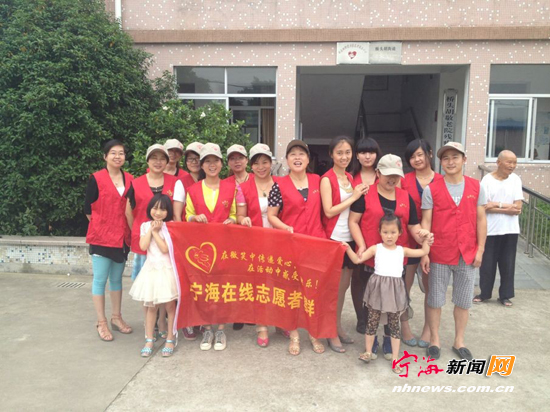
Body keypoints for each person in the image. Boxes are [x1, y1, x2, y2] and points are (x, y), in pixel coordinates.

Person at [349, 154, 428, 361]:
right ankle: (371, 339)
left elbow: (412, 225)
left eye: (396, 175)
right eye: (387, 175)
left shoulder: (405, 197)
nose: (392, 179)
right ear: (378, 173)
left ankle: (387, 338)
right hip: (371, 258)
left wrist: (422, 236)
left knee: (392, 303)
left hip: (394, 262)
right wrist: (362, 244)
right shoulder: (366, 194)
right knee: (371, 302)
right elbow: (353, 221)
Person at [420, 141, 487, 361]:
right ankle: (435, 339)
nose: (450, 162)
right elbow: (426, 222)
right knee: (435, 299)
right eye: (446, 158)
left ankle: (459, 340)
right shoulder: (431, 189)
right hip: (439, 252)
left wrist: (480, 250)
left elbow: (481, 219)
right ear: (441, 162)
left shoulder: (477, 187)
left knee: (463, 300)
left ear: (464, 159)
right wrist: (425, 252)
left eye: (455, 157)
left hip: (467, 253)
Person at [345, 212, 430, 374]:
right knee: (372, 321)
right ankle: (368, 351)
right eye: (385, 232)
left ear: (400, 233)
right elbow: (357, 260)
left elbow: (423, 251)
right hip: (377, 289)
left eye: (393, 232)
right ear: (379, 232)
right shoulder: (375, 249)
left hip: (394, 292)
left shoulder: (402, 250)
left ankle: (395, 359)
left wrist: (426, 237)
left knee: (394, 325)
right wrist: (348, 248)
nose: (389, 236)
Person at [267, 139, 327, 356]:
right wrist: (286, 228)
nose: (297, 158)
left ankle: (313, 332)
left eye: (302, 154)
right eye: (293, 154)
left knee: (313, 291)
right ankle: (294, 334)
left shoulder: (318, 181)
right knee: (292, 291)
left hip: (316, 244)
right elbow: (272, 216)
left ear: (308, 159)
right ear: (287, 160)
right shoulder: (278, 185)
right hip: (291, 244)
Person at [125, 144, 184, 340]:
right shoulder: (135, 183)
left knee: (166, 284)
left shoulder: (175, 182)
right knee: (148, 286)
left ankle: (162, 322)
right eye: (154, 158)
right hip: (144, 239)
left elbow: (177, 214)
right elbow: (129, 212)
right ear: (147, 160)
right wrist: (140, 230)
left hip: (165, 239)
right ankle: (149, 325)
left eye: (162, 158)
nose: (158, 162)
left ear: (167, 161)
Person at [186, 142, 237, 351]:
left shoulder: (231, 188)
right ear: (202, 165)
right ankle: (207, 328)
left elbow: (234, 214)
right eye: (207, 161)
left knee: (223, 287)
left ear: (221, 164)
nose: (212, 165)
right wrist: (194, 217)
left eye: (215, 160)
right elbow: (187, 216)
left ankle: (221, 329)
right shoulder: (193, 190)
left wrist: (233, 220)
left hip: (224, 246)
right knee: (204, 288)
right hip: (201, 248)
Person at [320, 136, 368, 353]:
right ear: (331, 155)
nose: (344, 156)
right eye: (339, 152)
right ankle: (330, 331)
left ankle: (336, 326)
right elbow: (329, 211)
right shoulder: (326, 179)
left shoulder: (349, 177)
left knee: (344, 287)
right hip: (333, 239)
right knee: (334, 289)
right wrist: (354, 196)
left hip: (349, 238)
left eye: (347, 152)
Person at [85, 139, 134, 341]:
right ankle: (101, 322)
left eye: (121, 153)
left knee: (116, 279)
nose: (117, 156)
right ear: (105, 156)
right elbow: (88, 210)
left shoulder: (130, 179)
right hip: (102, 238)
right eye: (113, 153)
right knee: (99, 280)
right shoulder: (96, 179)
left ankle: (116, 317)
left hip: (122, 238)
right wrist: (103, 224)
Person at [400, 139, 443, 349]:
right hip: (408, 238)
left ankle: (428, 328)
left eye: (420, 154)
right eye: (412, 156)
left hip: (434, 240)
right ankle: (404, 325)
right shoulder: (404, 180)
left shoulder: (442, 180)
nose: (417, 159)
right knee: (404, 286)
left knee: (430, 287)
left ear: (430, 154)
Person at [237, 143, 278, 346]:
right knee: (260, 284)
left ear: (271, 163)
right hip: (256, 242)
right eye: (256, 163)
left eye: (265, 162)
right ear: (251, 165)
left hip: (279, 240)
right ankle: (262, 326)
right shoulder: (243, 188)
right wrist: (243, 219)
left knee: (280, 282)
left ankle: (281, 320)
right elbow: (240, 215)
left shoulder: (281, 184)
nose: (261, 167)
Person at [129, 194, 179, 357]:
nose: (158, 212)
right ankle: (149, 339)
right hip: (151, 270)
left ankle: (170, 338)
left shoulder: (170, 226)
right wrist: (151, 229)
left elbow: (165, 249)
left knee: (170, 307)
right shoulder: (145, 226)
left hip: (167, 270)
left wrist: (157, 232)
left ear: (168, 211)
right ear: (150, 209)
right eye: (155, 208)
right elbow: (143, 246)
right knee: (151, 307)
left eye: (163, 209)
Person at [474, 150, 523, 307]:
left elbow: (518, 208)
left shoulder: (515, 179)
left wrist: (496, 204)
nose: (512, 166)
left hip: (510, 229)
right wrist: (508, 207)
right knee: (487, 264)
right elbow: (484, 206)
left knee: (508, 264)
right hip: (490, 229)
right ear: (498, 162)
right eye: (509, 162)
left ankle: (505, 295)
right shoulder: (487, 180)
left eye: (515, 162)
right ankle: (484, 293)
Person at [349, 137, 382, 336]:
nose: (367, 156)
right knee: (358, 277)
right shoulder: (350, 178)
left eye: (371, 152)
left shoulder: (384, 176)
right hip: (354, 233)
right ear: (357, 155)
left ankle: (377, 317)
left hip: (381, 235)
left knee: (378, 278)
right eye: (362, 152)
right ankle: (361, 317)